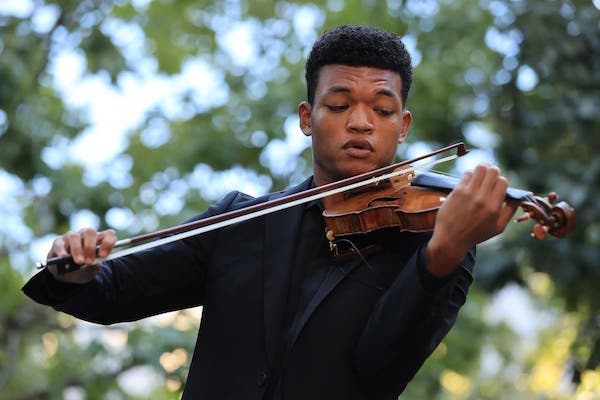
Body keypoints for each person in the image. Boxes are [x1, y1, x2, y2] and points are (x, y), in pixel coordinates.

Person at [23, 25, 516, 399]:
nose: (361, 123)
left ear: (402, 126)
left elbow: (381, 370)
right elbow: (113, 294)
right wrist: (73, 267)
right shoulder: (240, 222)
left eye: (382, 111)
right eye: (339, 104)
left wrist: (444, 252)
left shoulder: (434, 244)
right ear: (307, 118)